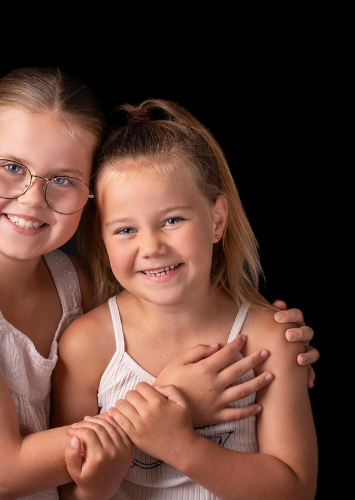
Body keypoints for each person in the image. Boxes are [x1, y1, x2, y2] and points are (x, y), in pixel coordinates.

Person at [0, 68, 321, 500]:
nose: (32, 198)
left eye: (62, 179)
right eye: (11, 168)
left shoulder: (75, 285)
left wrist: (281, 344)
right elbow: (2, 471)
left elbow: (162, 321)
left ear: (89, 198)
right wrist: (174, 403)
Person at [53, 99, 317, 500]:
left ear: (217, 219)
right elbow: (68, 490)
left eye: (172, 220)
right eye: (125, 230)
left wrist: (182, 446)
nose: (151, 247)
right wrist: (94, 485)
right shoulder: (87, 344)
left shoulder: (270, 340)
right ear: (102, 238)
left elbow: (295, 489)